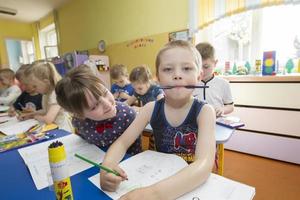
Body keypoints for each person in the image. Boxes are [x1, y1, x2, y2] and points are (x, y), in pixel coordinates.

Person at [100, 40, 216, 200]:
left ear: (199, 76)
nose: (177, 74)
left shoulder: (205, 112)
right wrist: (107, 166)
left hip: (190, 186)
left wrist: (152, 194)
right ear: (158, 78)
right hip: (158, 177)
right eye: (168, 69)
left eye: (187, 68)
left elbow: (204, 165)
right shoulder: (150, 109)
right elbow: (121, 143)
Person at [55, 65, 141, 154]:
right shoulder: (78, 121)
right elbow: (83, 145)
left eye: (105, 93)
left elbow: (135, 153)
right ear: (79, 114)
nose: (108, 104)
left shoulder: (127, 115)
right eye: (94, 106)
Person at [19, 61, 73, 132]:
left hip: (63, 129)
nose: (33, 89)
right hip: (54, 126)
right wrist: (31, 114)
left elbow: (48, 119)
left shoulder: (55, 94)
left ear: (46, 82)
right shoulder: (46, 93)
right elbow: (46, 111)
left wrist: (35, 117)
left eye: (35, 86)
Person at [193, 42, 234, 117]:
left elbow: (230, 106)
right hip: (196, 123)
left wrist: (222, 109)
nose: (201, 71)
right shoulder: (191, 83)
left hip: (217, 121)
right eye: (198, 67)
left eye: (205, 67)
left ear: (215, 63)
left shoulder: (223, 84)